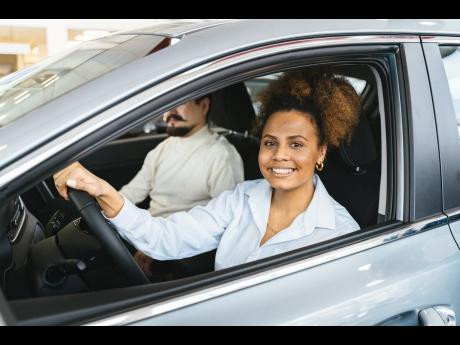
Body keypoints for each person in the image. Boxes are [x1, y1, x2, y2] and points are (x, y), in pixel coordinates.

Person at [53, 69, 361, 273]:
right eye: (270, 142)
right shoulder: (242, 199)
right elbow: (166, 237)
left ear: (320, 152)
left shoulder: (340, 235)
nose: (279, 155)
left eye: (296, 145)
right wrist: (104, 191)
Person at [117, 95, 245, 275]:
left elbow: (226, 221)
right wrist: (106, 207)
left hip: (182, 248)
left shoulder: (221, 155)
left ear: (204, 106)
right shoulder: (164, 147)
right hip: (147, 233)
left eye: (179, 103)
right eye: (167, 105)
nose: (170, 113)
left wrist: (157, 247)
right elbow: (133, 192)